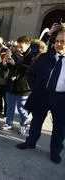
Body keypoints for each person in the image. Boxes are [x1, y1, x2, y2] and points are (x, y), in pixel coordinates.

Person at [16, 29, 65, 164]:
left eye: (63, 41)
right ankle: (30, 142)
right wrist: (35, 88)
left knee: (60, 127)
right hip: (42, 95)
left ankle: (55, 151)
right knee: (36, 121)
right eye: (57, 41)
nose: (59, 44)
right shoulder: (44, 57)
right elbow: (31, 72)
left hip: (61, 99)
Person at [0, 36, 35, 135]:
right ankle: (8, 123)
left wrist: (15, 64)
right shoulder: (14, 54)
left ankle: (24, 124)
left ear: (28, 44)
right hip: (11, 85)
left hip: (24, 87)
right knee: (9, 106)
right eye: (17, 46)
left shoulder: (32, 55)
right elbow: (5, 67)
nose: (18, 48)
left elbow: (29, 70)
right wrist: (4, 61)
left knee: (22, 108)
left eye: (21, 46)